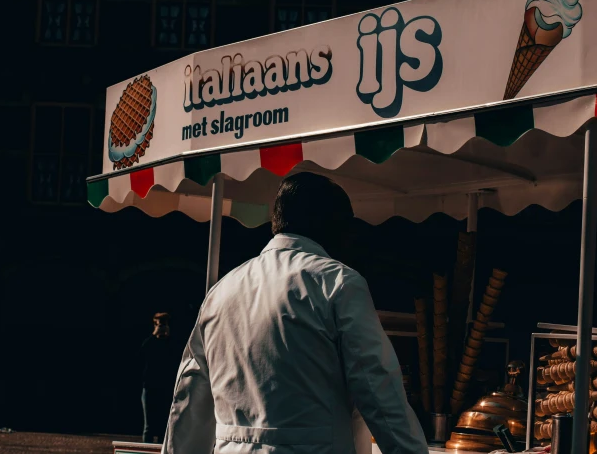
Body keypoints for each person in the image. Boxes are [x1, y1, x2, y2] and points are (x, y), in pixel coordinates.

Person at [162, 172, 428, 454]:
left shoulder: (220, 292)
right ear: (329, 223)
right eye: (348, 223)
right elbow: (379, 391)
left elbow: (189, 402)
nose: (352, 236)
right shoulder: (338, 283)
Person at [141, 312, 179, 444]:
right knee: (149, 427)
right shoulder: (150, 343)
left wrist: (168, 337)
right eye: (158, 324)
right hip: (150, 387)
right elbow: (141, 354)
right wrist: (153, 335)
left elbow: (176, 356)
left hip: (165, 388)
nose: (161, 327)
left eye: (164, 324)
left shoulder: (171, 344)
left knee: (164, 426)